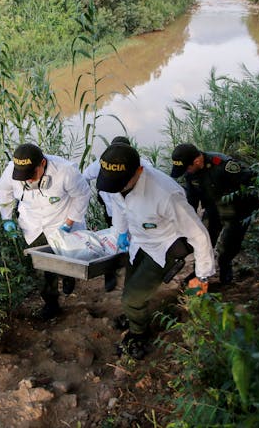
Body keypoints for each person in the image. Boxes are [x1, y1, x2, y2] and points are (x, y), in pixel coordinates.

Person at [96, 143, 215, 359]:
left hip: (164, 245)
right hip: (138, 240)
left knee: (132, 298)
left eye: (121, 185)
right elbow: (119, 207)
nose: (118, 189)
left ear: (139, 171)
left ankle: (139, 334)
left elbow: (199, 235)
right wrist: (120, 233)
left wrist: (202, 275)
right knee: (131, 287)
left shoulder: (165, 193)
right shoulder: (116, 180)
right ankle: (134, 315)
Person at [0, 143, 91, 320]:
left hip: (61, 221)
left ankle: (69, 276)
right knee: (43, 267)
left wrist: (69, 223)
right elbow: (4, 191)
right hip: (33, 226)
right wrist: (7, 219)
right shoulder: (11, 170)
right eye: (24, 176)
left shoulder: (65, 171)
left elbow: (83, 195)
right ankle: (51, 304)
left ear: (42, 163)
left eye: (31, 174)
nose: (28, 180)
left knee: (66, 259)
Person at [170, 143, 259, 285]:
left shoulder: (223, 164)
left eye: (187, 168)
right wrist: (185, 223)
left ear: (197, 161)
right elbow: (191, 200)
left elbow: (253, 178)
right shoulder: (190, 172)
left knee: (227, 248)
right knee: (202, 242)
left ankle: (226, 276)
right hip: (214, 209)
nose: (186, 172)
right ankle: (199, 274)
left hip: (238, 211)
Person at [81, 136, 133, 292]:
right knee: (112, 241)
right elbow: (84, 177)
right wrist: (89, 197)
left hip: (133, 211)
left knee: (135, 241)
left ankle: (131, 269)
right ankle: (110, 274)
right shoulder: (100, 163)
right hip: (111, 210)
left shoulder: (138, 164)